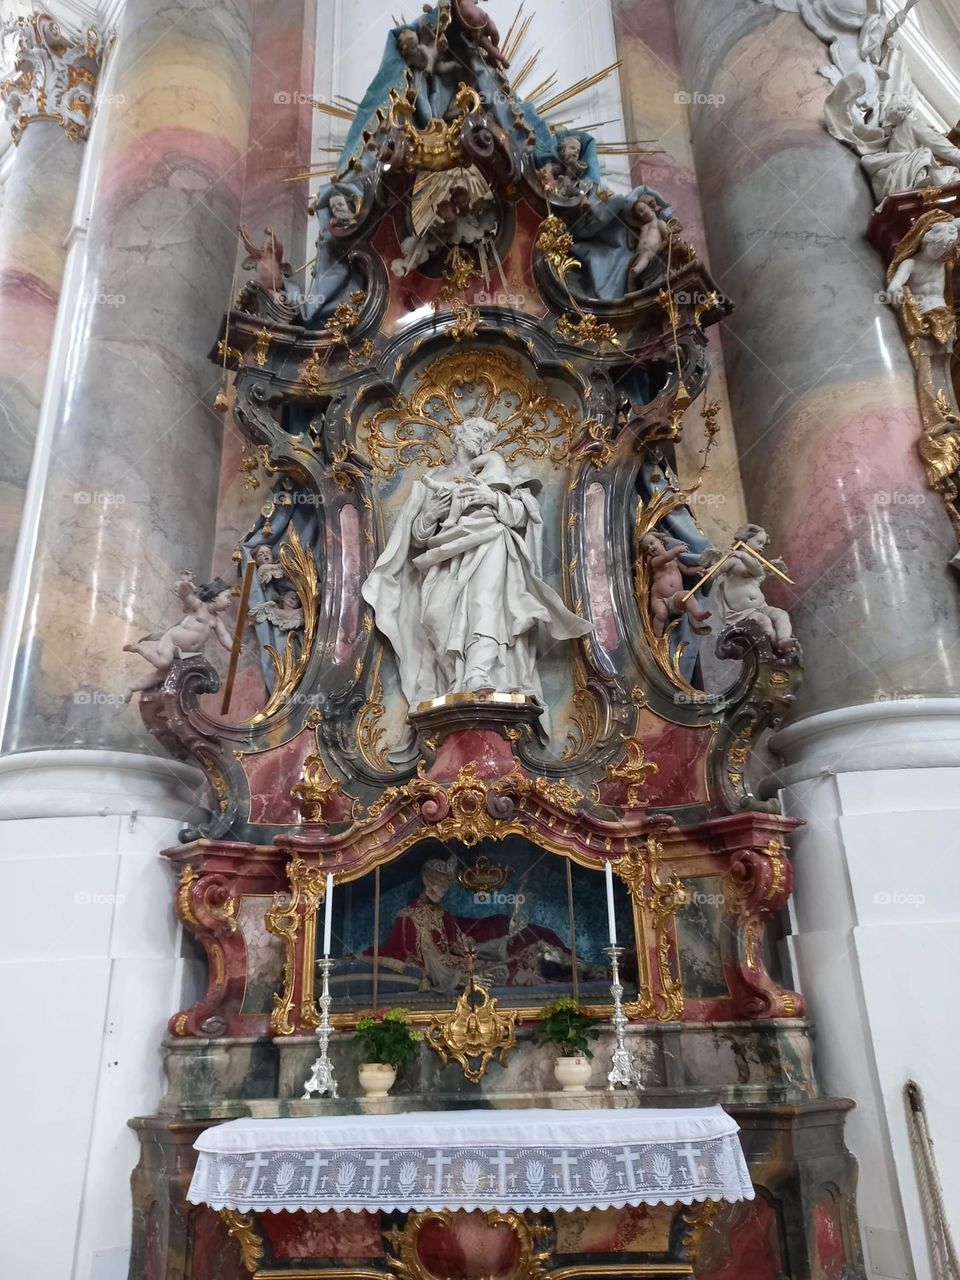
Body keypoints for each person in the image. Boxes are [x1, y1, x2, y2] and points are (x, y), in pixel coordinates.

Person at [361, 417, 593, 723]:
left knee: (485, 605)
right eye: (476, 431)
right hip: (443, 559)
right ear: (457, 434)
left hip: (491, 542)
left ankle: (478, 675)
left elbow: (524, 514)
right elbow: (417, 536)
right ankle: (452, 682)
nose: (481, 439)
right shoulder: (433, 478)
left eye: (487, 436)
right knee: (437, 615)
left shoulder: (500, 473)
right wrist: (431, 514)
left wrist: (493, 498)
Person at [374, 857, 579, 993]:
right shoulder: (409, 918)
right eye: (438, 884)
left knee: (536, 948)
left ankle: (591, 971)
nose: (442, 890)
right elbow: (427, 962)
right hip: (457, 974)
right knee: (516, 971)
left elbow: (463, 946)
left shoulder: (442, 913)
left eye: (446, 885)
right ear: (427, 883)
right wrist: (464, 981)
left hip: (470, 965)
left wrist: (506, 940)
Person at [123, 573, 234, 701]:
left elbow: (223, 635)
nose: (229, 602)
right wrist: (184, 583)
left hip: (186, 654)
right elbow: (185, 595)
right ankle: (139, 648)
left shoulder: (216, 620)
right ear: (215, 596)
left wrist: (232, 647)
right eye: (227, 597)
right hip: (172, 641)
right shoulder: (198, 606)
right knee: (163, 662)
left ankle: (131, 688)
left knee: (162, 675)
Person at [714, 525, 797, 653]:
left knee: (781, 614)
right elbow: (716, 570)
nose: (762, 547)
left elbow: (757, 571)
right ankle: (776, 642)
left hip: (761, 606)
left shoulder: (753, 562)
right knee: (764, 621)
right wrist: (707, 572)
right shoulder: (733, 560)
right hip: (743, 611)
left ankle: (783, 638)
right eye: (759, 542)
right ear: (745, 540)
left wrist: (743, 555)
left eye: (763, 544)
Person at [641, 533, 711, 637]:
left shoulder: (675, 559)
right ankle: (657, 637)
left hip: (675, 598)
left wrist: (699, 569)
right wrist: (677, 550)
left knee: (687, 595)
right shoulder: (654, 562)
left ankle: (697, 614)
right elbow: (665, 558)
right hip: (660, 599)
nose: (650, 547)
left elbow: (686, 570)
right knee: (661, 613)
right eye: (647, 548)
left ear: (661, 542)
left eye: (651, 543)